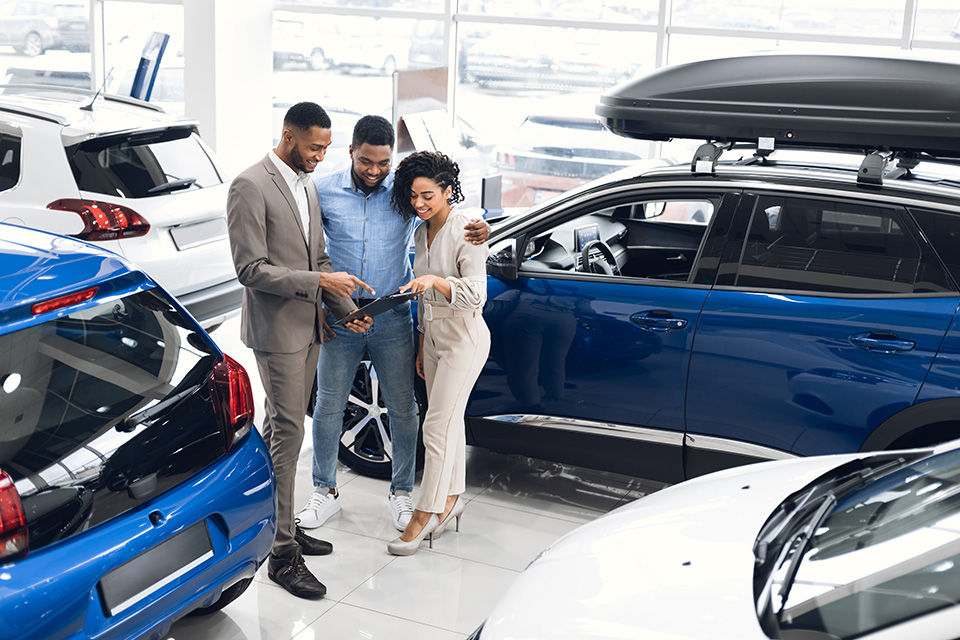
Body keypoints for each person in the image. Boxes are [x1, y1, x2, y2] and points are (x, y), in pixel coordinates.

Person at [297, 116, 489, 533]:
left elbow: (444, 211)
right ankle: (324, 491)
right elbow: (313, 253)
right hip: (341, 314)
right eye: (366, 161)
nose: (374, 170)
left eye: (382, 163)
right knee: (329, 404)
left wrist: (483, 226)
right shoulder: (322, 191)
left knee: (404, 407)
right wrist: (335, 302)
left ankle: (402, 494)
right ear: (351, 151)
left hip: (393, 313)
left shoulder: (403, 196)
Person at [226, 102, 374, 600]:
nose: (321, 156)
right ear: (288, 136)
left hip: (311, 327)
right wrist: (319, 281)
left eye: (327, 149)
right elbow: (250, 270)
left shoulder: (305, 182)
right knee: (289, 432)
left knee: (279, 429)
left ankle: (278, 522)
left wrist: (345, 308)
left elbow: (320, 258)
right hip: (277, 334)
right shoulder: (250, 185)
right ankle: (282, 554)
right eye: (315, 147)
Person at [387, 151, 491, 556]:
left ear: (448, 190)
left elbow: (476, 295)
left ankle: (426, 511)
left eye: (428, 195)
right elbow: (421, 299)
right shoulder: (420, 232)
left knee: (435, 427)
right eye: (413, 196)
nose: (419, 203)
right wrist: (419, 343)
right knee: (449, 422)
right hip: (432, 338)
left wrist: (437, 280)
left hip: (464, 338)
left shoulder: (467, 229)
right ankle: (452, 499)